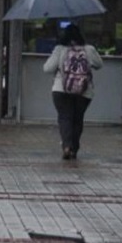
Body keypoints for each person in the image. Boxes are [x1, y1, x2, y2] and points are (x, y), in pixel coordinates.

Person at [42, 23, 103, 159]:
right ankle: (74, 149)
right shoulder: (89, 49)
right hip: (84, 91)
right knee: (77, 119)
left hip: (61, 89)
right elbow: (99, 64)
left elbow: (47, 68)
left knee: (65, 117)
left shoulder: (60, 49)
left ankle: (66, 146)